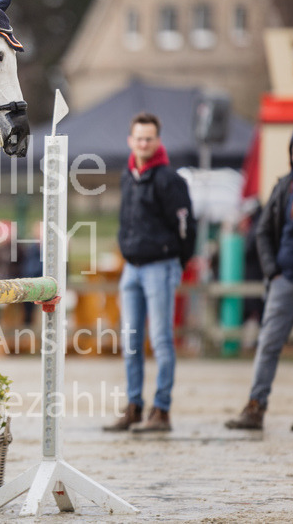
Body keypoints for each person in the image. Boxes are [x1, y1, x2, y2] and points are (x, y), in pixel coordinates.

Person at [104, 112, 196, 433]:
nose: (143, 143)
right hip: (132, 269)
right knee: (130, 341)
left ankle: (162, 410)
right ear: (131, 141)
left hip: (160, 267)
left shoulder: (170, 180)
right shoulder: (128, 176)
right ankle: (134, 407)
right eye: (138, 138)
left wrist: (176, 263)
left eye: (149, 138)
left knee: (160, 340)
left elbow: (187, 228)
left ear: (157, 141)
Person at [225, 124, 293, 431]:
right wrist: (272, 270)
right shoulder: (284, 188)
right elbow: (263, 232)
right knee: (269, 343)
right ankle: (256, 405)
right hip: (286, 278)